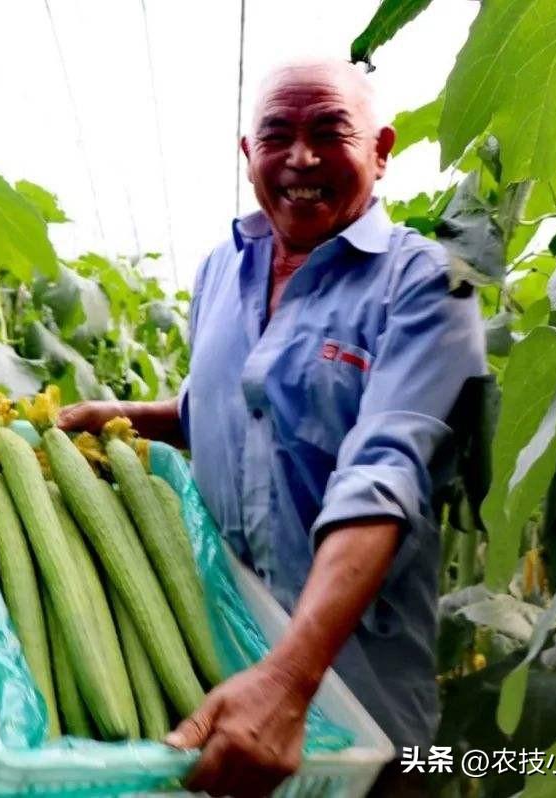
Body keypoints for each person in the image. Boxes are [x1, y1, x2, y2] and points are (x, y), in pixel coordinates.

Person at [58, 59, 486, 797]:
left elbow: (384, 473)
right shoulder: (222, 270)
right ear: (247, 153)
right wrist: (125, 420)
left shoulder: (430, 287)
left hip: (361, 692)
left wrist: (289, 679)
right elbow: (228, 412)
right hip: (222, 665)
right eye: (277, 136)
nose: (301, 159)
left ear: (381, 150)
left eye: (329, 133)